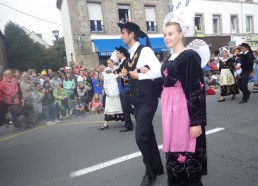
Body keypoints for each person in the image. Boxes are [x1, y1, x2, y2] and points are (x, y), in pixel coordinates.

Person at [158, 21, 207, 186]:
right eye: (165, 34)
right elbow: (165, 84)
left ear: (180, 34)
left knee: (187, 151)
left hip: (183, 111)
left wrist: (196, 121)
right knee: (173, 151)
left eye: (170, 33)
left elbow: (196, 89)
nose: (167, 37)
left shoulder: (189, 56)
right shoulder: (169, 57)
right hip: (170, 112)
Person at [117, 22, 163, 186]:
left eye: (123, 32)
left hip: (148, 99)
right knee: (148, 134)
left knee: (140, 137)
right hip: (137, 101)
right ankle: (157, 167)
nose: (121, 35)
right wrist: (127, 73)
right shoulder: (130, 54)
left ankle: (149, 173)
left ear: (132, 35)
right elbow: (134, 71)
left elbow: (159, 71)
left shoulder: (145, 50)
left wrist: (139, 76)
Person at [99, 66, 124, 130]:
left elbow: (105, 87)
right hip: (112, 96)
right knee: (110, 109)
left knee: (112, 109)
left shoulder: (111, 76)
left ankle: (106, 124)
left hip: (114, 96)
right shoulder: (111, 76)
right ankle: (105, 124)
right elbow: (105, 87)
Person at [116, 46, 134, 132]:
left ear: (122, 53)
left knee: (126, 107)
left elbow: (124, 75)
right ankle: (128, 124)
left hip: (125, 87)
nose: (116, 55)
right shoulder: (122, 62)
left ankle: (138, 118)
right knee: (125, 107)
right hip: (123, 86)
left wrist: (118, 74)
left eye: (118, 53)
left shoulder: (126, 62)